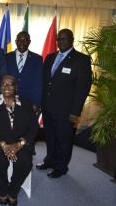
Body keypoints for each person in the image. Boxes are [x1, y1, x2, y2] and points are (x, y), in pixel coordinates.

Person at [36, 29, 92, 178]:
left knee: (64, 140)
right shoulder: (50, 57)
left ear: (72, 39)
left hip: (66, 111)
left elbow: (83, 88)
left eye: (65, 38)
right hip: (48, 107)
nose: (61, 41)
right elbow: (46, 83)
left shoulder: (81, 60)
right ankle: (50, 160)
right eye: (59, 38)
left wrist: (75, 111)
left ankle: (61, 167)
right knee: (51, 137)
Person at [0, 75, 39, 206]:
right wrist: (4, 145)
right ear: (0, 87)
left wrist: (20, 144)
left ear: (16, 87)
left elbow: (34, 127)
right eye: (3, 84)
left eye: (10, 84)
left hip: (21, 143)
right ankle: (3, 188)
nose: (6, 87)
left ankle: (13, 191)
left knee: (25, 163)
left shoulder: (26, 103)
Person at [4, 31, 43, 112]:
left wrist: (36, 103)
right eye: (19, 40)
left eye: (25, 40)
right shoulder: (6, 57)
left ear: (29, 42)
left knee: (25, 124)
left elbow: (39, 82)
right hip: (8, 99)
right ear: (15, 42)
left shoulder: (37, 59)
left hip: (29, 101)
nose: (22, 43)